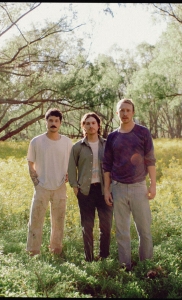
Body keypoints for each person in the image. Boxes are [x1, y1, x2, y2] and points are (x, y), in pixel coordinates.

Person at [103, 99, 156, 271]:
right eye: (121, 111)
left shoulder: (143, 132)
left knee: (145, 231)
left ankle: (146, 265)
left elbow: (150, 160)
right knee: (122, 232)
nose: (125, 113)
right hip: (118, 188)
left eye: (127, 110)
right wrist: (107, 189)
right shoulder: (112, 137)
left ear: (133, 112)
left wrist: (153, 185)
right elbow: (107, 165)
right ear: (117, 114)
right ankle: (125, 266)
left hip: (139, 187)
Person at [26, 108, 73, 256]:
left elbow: (72, 162)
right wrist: (36, 183)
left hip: (60, 187)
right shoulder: (37, 141)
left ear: (60, 123)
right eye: (50, 120)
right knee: (35, 220)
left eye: (56, 121)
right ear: (46, 122)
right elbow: (30, 163)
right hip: (42, 187)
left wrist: (68, 176)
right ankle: (33, 251)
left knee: (58, 221)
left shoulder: (67, 142)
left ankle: (56, 250)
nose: (53, 123)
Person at [68, 112, 113, 262]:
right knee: (87, 227)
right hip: (85, 191)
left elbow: (113, 165)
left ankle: (104, 256)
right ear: (83, 126)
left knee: (105, 226)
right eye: (87, 123)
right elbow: (71, 167)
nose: (91, 126)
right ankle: (89, 258)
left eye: (93, 123)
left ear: (98, 125)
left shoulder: (107, 144)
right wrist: (75, 187)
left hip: (104, 190)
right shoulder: (78, 147)